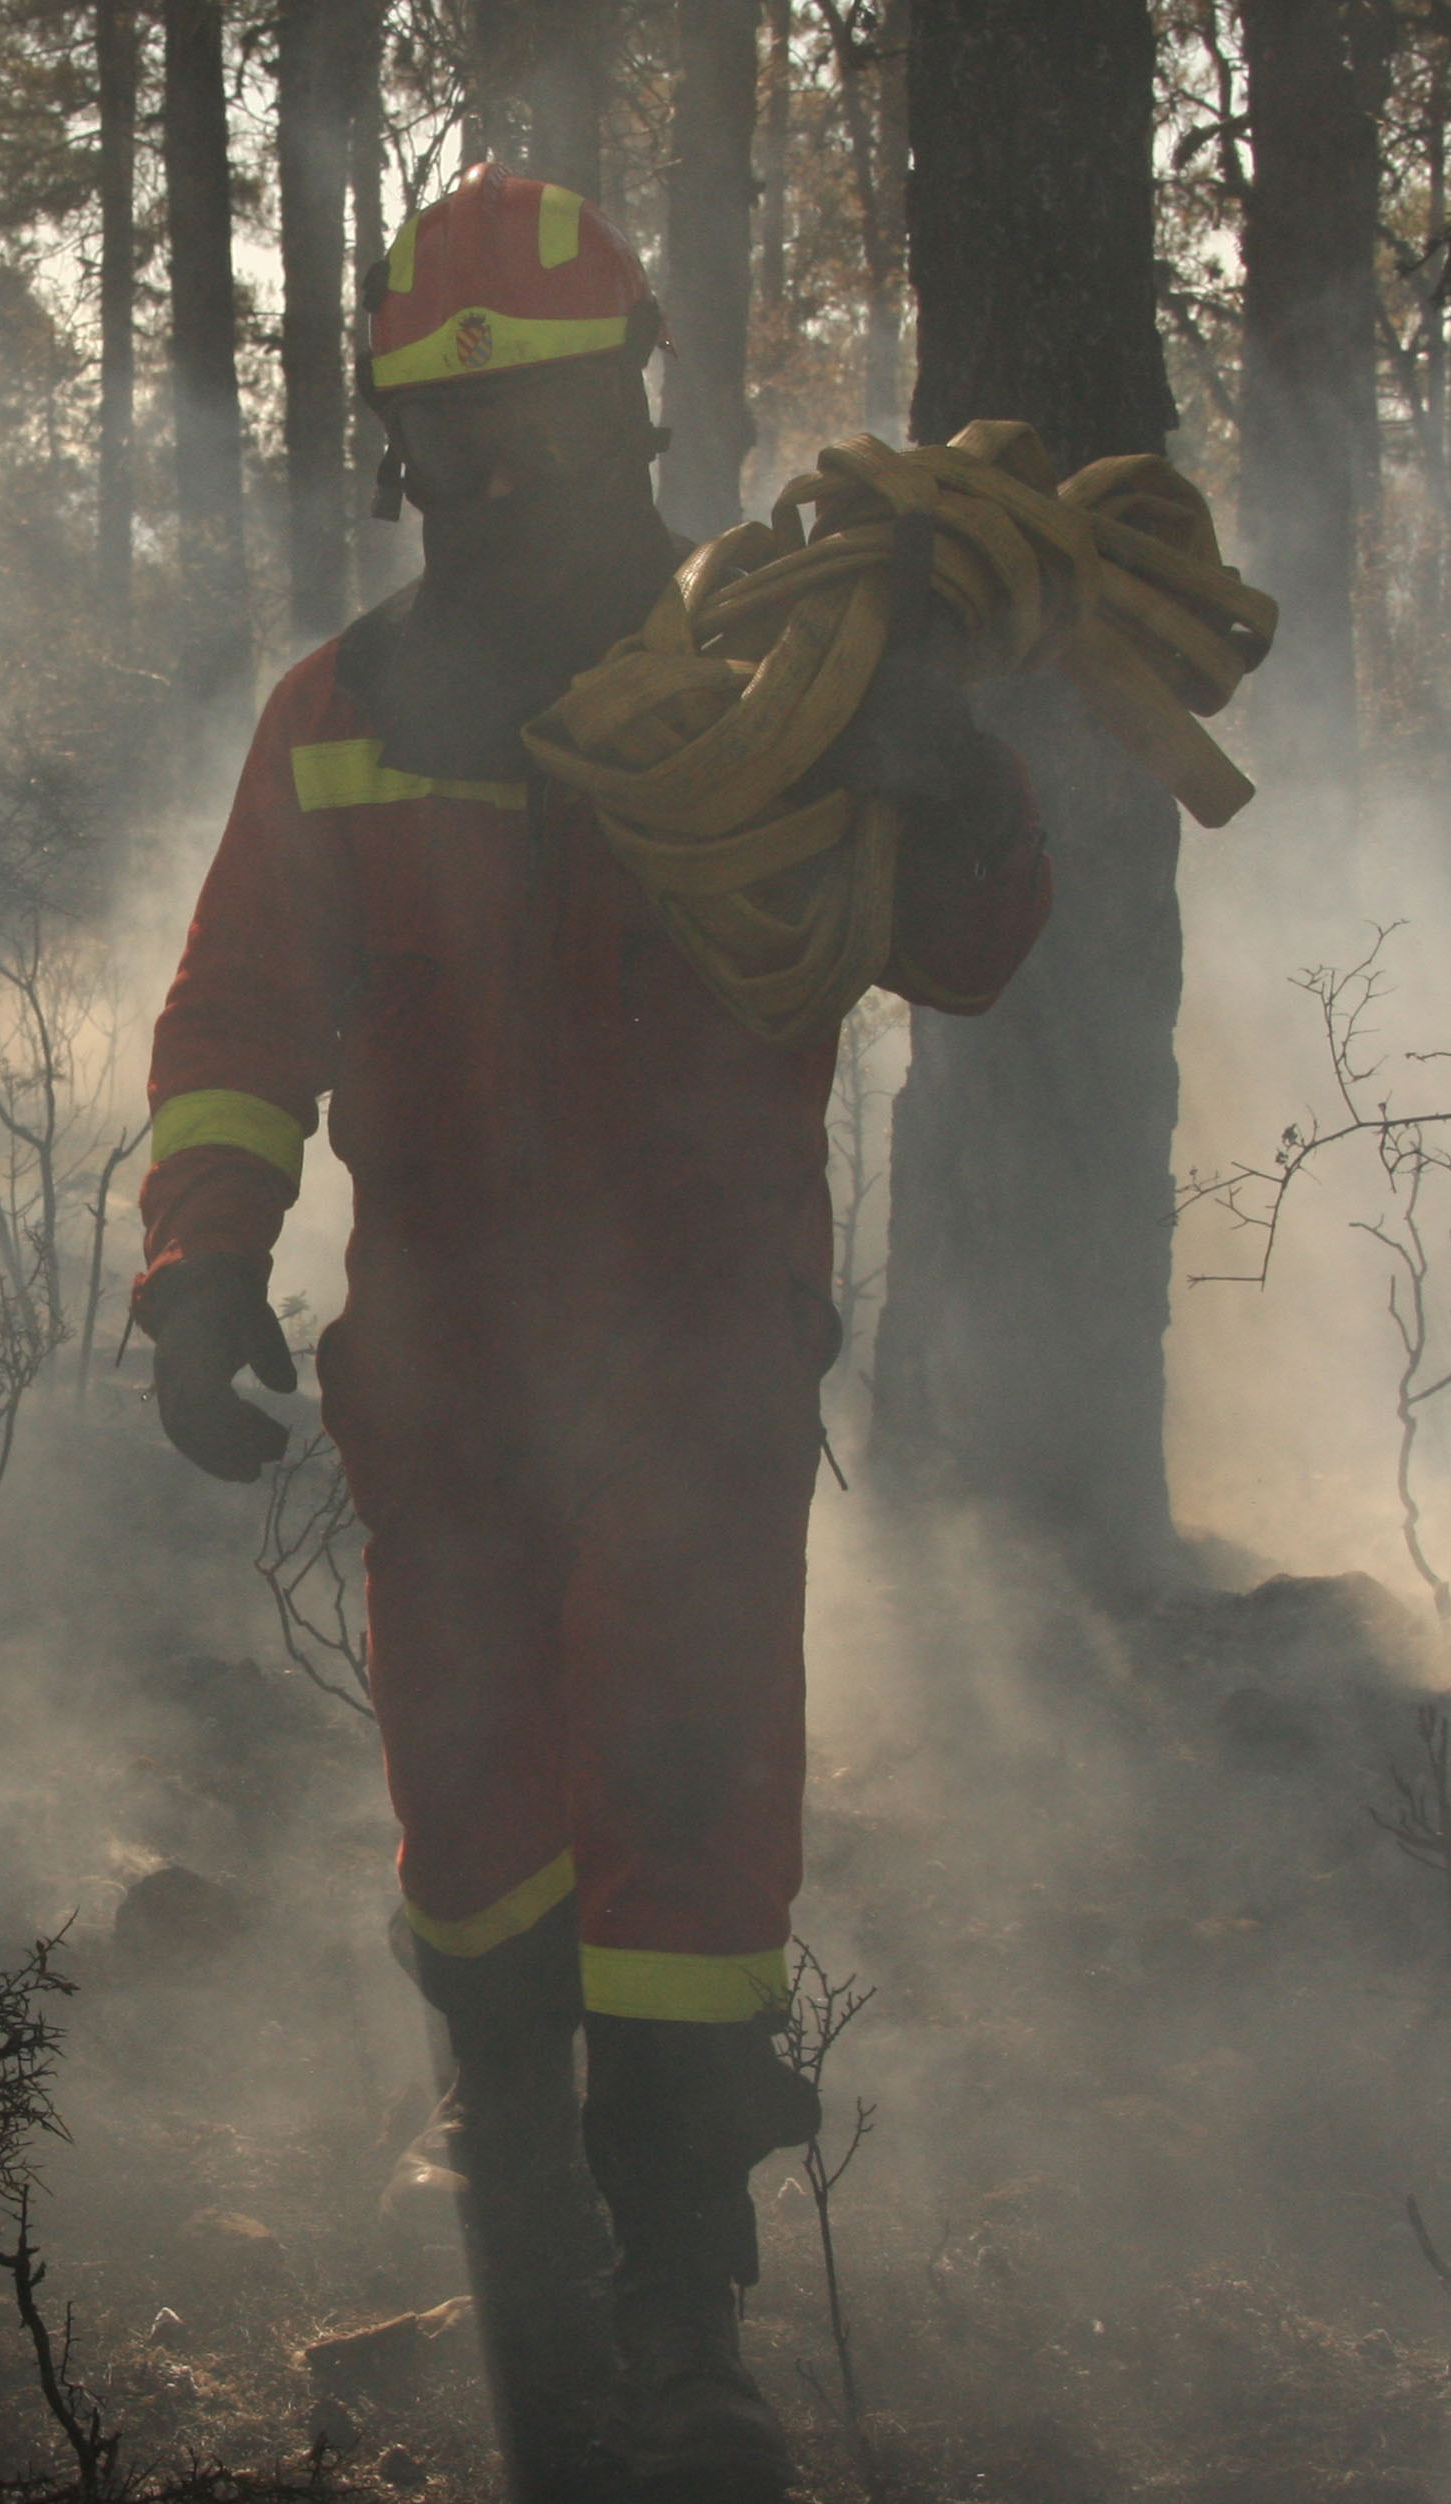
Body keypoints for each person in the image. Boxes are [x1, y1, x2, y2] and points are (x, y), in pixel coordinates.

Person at [130, 162, 1054, 2504]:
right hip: (440, 1368)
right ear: (400, 448)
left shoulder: (771, 678)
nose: (502, 470)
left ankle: (680, 2302)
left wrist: (951, 777)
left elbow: (967, 950)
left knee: (683, 1803)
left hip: (698, 1349)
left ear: (635, 408)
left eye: (538, 419)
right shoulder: (341, 715)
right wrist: (205, 1262)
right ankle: (514, 2147)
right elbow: (239, 1018)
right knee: (474, 1827)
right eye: (456, 431)